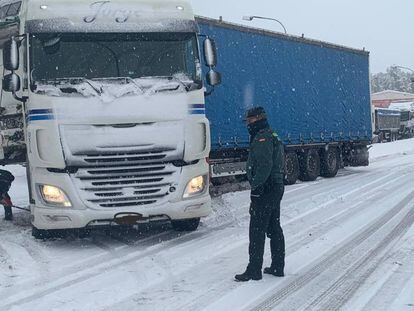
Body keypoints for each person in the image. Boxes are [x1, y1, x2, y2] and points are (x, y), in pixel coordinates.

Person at [235, 107, 286, 282]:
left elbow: (265, 164)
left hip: (266, 188)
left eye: (249, 121)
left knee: (257, 229)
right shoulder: (272, 134)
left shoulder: (262, 138)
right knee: (273, 227)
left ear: (257, 119)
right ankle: (278, 266)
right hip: (275, 186)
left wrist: (256, 185)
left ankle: (254, 269)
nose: (248, 124)